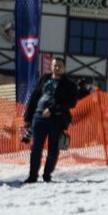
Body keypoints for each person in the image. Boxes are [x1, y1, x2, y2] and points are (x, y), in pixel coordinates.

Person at [21, 54, 91, 183]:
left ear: (64, 68)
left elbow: (71, 103)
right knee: (36, 147)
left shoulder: (69, 85)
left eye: (59, 65)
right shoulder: (43, 79)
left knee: (53, 148)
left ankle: (47, 175)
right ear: (51, 66)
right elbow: (34, 97)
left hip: (57, 119)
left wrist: (52, 109)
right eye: (54, 65)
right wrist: (27, 116)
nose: (57, 67)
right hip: (38, 116)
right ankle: (32, 176)